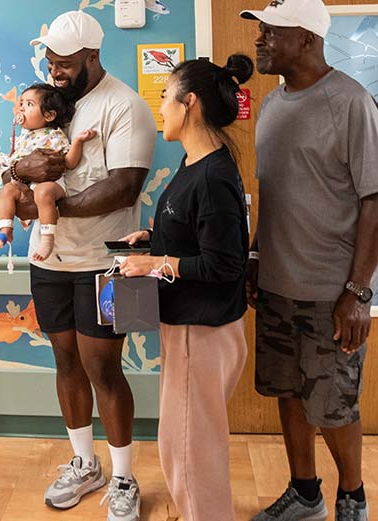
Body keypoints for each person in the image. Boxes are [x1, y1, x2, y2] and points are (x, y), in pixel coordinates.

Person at [240, 0, 378, 521]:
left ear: (306, 40)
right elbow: (275, 191)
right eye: (260, 29)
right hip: (278, 284)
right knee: (286, 391)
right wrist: (257, 257)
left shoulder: (351, 102)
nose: (260, 40)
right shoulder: (272, 104)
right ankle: (305, 492)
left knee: (333, 405)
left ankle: (352, 496)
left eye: (271, 31)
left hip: (331, 293)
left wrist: (358, 293)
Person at [12, 10, 156, 521]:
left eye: (65, 63)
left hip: (115, 263)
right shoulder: (48, 105)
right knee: (66, 362)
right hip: (50, 260)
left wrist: (51, 206)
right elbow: (21, 162)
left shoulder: (126, 105)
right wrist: (17, 173)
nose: (54, 71)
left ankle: (123, 478)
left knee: (105, 368)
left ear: (92, 57)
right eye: (49, 60)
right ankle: (84, 462)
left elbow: (125, 187)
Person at [118, 55, 253, 521]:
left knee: (192, 451)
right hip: (188, 328)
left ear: (189, 103)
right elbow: (198, 235)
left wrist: (158, 262)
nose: (161, 108)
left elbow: (224, 264)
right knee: (183, 442)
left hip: (203, 331)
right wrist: (155, 240)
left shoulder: (213, 175)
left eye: (164, 97)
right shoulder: (194, 163)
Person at [0, 83, 96, 261]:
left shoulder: (54, 136)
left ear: (49, 115)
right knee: (7, 191)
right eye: (21, 104)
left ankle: (47, 239)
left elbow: (69, 162)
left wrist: (78, 142)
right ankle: (5, 230)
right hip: (26, 187)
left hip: (52, 185)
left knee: (43, 192)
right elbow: (16, 163)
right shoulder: (23, 138)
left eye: (29, 104)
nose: (21, 109)